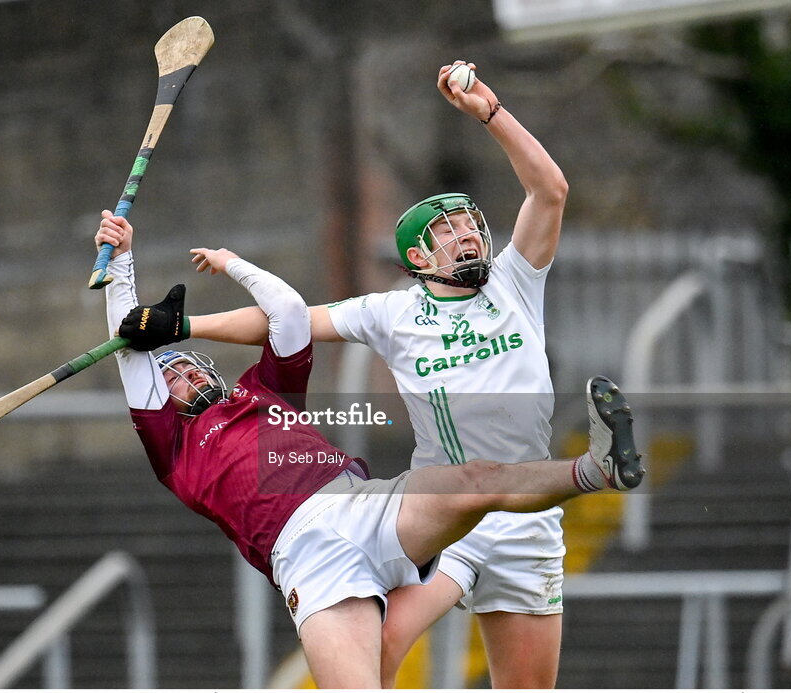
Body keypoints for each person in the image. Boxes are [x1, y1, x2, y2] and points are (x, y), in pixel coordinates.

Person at [124, 60, 613, 687]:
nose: (466, 234)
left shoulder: (517, 283)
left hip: (529, 517)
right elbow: (290, 320)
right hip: (446, 511)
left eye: (469, 223)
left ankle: (589, 474)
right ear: (416, 256)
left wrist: (490, 112)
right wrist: (185, 329)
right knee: (381, 641)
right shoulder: (391, 310)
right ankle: (593, 472)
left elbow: (550, 191)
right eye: (446, 229)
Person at [94, 207, 644, 688]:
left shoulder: (260, 390)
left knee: (476, 479)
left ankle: (597, 471)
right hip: (307, 560)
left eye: (187, 366)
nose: (184, 377)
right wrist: (121, 269)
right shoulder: (173, 449)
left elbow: (287, 314)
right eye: (171, 378)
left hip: (366, 506)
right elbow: (129, 352)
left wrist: (228, 265)